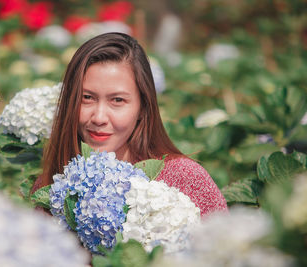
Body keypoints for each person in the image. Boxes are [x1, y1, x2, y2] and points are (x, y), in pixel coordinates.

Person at [32, 32, 227, 218]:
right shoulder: (52, 184)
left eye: (117, 100)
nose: (99, 117)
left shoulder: (186, 179)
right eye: (87, 98)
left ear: (143, 107)